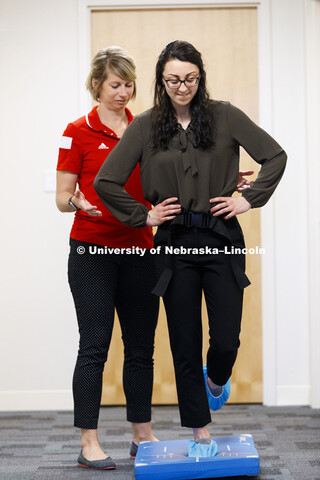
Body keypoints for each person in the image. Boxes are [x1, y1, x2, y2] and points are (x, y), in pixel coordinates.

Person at [94, 40, 287, 444]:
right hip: (174, 243)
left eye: (190, 79)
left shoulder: (225, 116)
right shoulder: (146, 125)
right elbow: (106, 181)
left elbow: (275, 156)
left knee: (226, 339)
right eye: (172, 80)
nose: (182, 87)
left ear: (200, 77)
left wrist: (247, 200)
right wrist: (143, 216)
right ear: (161, 81)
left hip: (220, 239)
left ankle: (216, 379)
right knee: (184, 341)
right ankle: (200, 430)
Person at [56, 46, 160, 470]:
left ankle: (142, 434)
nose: (123, 92)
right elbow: (62, 198)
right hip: (92, 252)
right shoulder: (76, 131)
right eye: (115, 84)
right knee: (94, 346)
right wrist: (75, 202)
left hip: (139, 250)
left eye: (129, 84)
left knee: (141, 348)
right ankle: (88, 441)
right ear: (96, 85)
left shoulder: (148, 130)